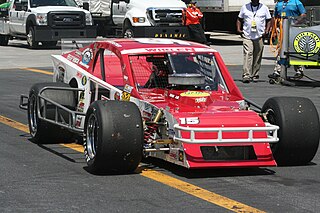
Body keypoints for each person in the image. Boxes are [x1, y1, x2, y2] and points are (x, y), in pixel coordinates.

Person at [268, 0, 306, 79]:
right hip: (281, 30)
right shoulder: (279, 4)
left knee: (294, 49)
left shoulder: (296, 2)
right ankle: (277, 71)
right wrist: (273, 29)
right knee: (281, 50)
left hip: (294, 29)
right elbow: (274, 17)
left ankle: (299, 70)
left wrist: (295, 23)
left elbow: (303, 14)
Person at [237, 0, 271, 83]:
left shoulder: (264, 8)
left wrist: (267, 30)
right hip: (247, 35)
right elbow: (239, 19)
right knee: (248, 53)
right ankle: (246, 75)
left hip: (259, 35)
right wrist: (238, 29)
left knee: (258, 54)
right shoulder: (245, 7)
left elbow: (269, 20)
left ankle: (255, 74)